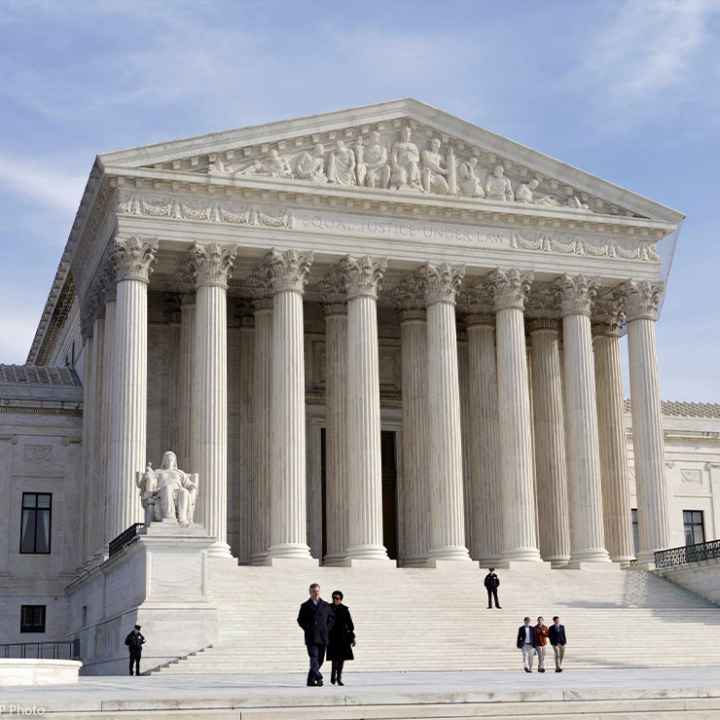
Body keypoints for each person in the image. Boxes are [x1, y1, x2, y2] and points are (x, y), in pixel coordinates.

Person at [297, 582, 335, 687]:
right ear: (310, 592)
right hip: (311, 637)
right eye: (313, 591)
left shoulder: (325, 605)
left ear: (319, 592)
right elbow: (300, 620)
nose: (315, 593)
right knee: (314, 657)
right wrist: (308, 629)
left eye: (317, 591)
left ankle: (310, 680)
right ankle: (318, 676)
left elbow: (332, 618)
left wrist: (327, 629)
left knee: (320, 660)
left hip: (323, 636)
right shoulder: (305, 606)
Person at [327, 590, 355, 686]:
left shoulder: (344, 609)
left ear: (341, 599)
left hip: (343, 638)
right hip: (332, 637)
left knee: (341, 659)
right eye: (334, 598)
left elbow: (350, 625)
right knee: (334, 659)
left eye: (337, 598)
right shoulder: (329, 608)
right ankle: (332, 676)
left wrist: (352, 637)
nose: (335, 600)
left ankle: (339, 678)